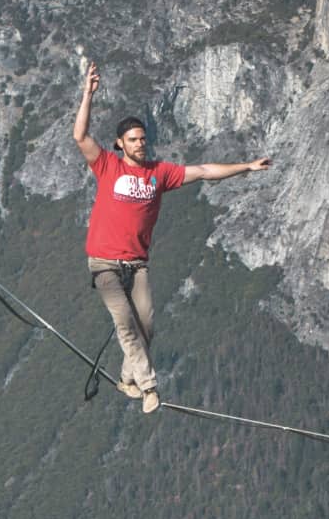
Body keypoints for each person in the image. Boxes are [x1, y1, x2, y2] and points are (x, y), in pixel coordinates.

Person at [73, 61, 271, 413]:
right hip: (104, 263)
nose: (140, 144)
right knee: (124, 322)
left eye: (143, 139)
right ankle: (149, 386)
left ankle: (129, 379)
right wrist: (88, 94)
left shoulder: (159, 174)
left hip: (136, 265)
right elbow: (80, 136)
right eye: (133, 140)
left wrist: (246, 167)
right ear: (120, 144)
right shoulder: (108, 165)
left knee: (145, 327)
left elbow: (206, 170)